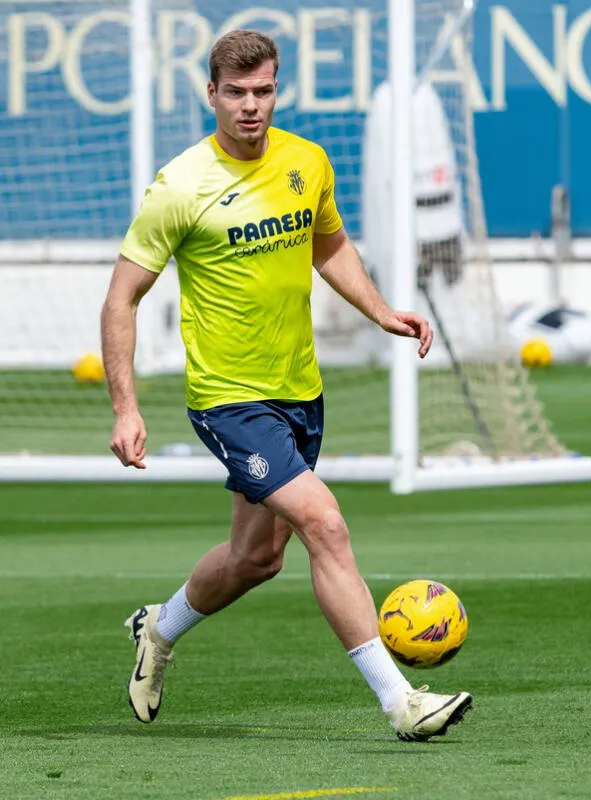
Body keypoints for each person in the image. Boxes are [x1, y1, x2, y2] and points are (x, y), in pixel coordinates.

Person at [101, 29, 472, 741]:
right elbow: (121, 299)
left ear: (277, 89)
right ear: (211, 93)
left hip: (299, 392)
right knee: (324, 524)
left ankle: (159, 627)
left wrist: (381, 309)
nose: (250, 106)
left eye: (263, 91)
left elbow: (327, 242)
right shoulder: (178, 188)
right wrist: (126, 408)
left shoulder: (307, 161)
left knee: (257, 558)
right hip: (228, 400)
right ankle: (402, 702)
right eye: (235, 92)